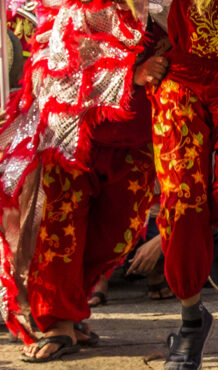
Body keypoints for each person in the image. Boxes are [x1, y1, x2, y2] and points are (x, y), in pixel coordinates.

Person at [12, 38, 167, 362]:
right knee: (61, 234)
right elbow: (61, 59)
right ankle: (59, 323)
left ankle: (72, 306)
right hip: (72, 133)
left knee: (116, 236)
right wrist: (130, 76)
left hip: (136, 137)